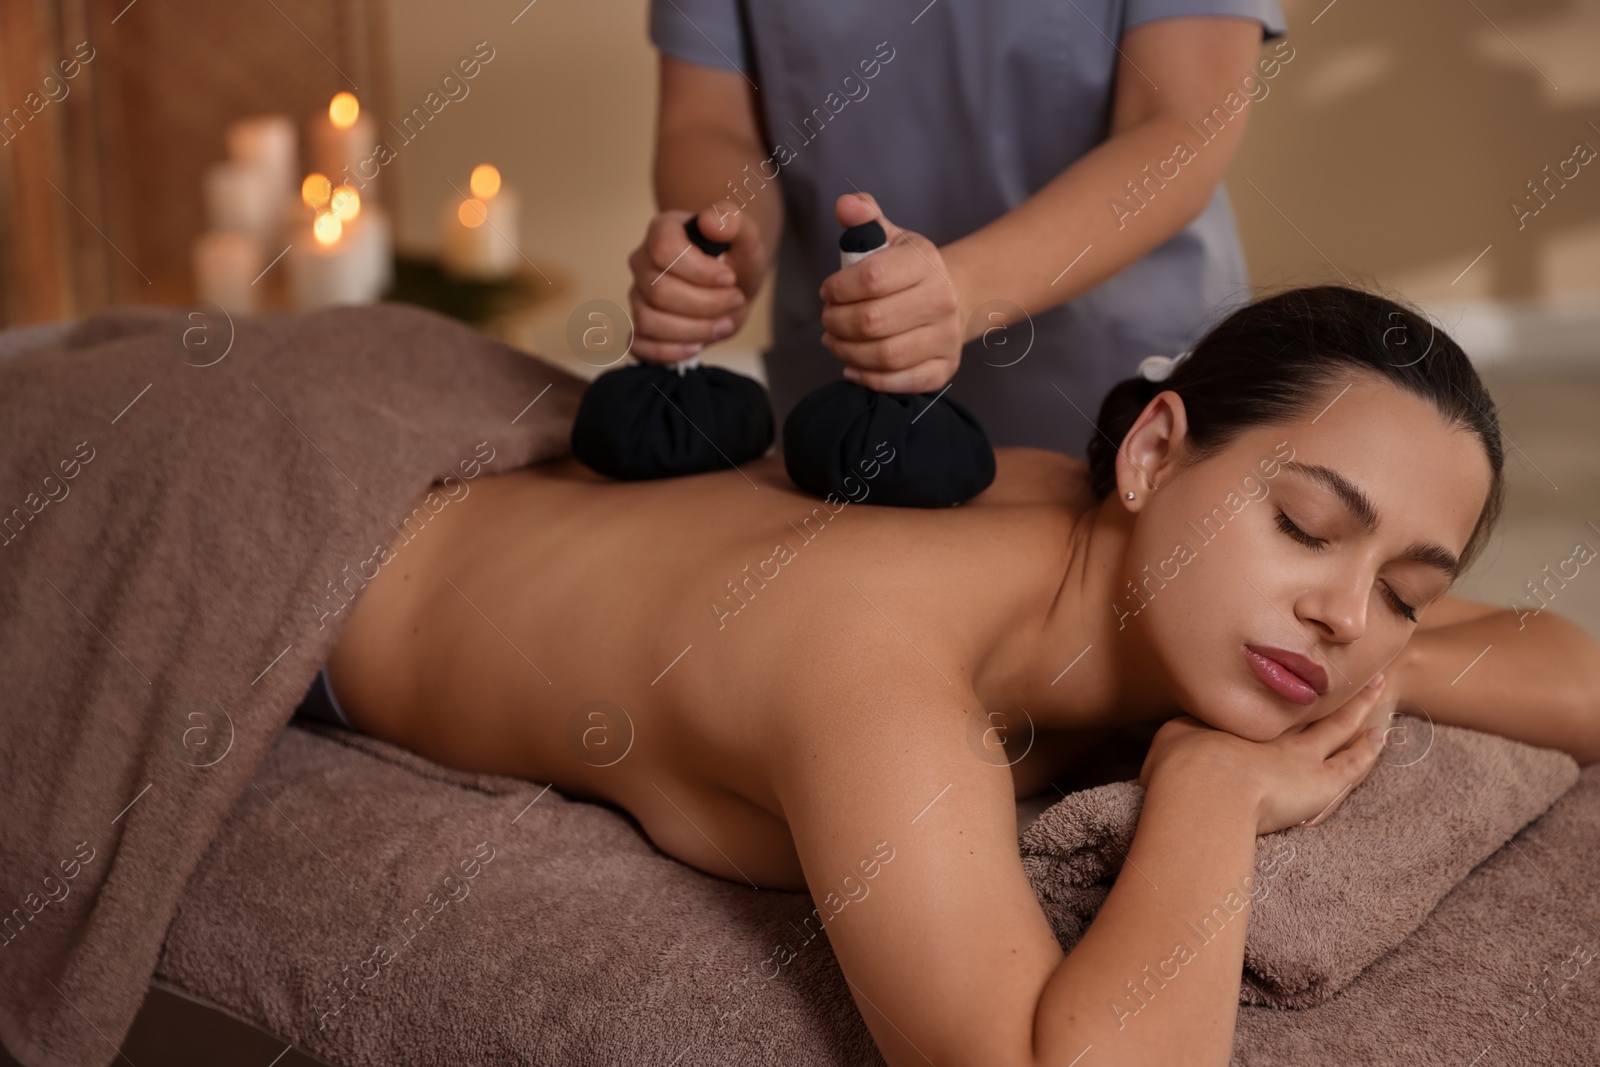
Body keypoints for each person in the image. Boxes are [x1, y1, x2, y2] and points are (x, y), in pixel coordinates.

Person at [296, 287, 1599, 1065]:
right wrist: (1207, 791)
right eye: (1307, 529)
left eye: (1407, 588)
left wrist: (1364, 623)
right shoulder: (880, 673)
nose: (1339, 608)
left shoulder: (1136, 554)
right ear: (1153, 453)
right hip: (332, 561)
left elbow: (1575, 672)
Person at [626, 0, 1294, 459]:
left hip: (1116, 390)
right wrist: (722, 241)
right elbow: (708, 123)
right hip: (849, 403)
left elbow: (1182, 120)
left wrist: (963, 288)